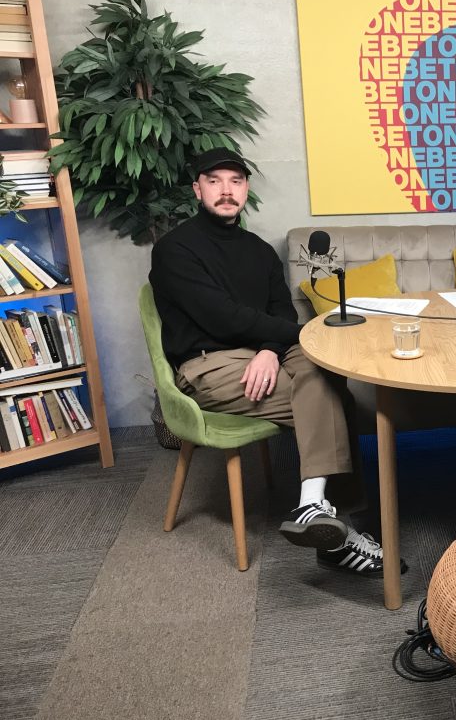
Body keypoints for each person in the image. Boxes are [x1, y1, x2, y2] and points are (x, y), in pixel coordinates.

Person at [150, 147, 404, 576]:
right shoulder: (175, 250)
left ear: (245, 189)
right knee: (331, 398)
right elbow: (222, 318)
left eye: (236, 181)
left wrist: (269, 349)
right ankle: (335, 527)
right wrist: (275, 339)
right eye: (215, 181)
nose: (226, 191)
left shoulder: (258, 249)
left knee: (320, 371)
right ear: (198, 190)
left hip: (262, 351)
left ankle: (315, 508)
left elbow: (281, 313)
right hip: (207, 362)